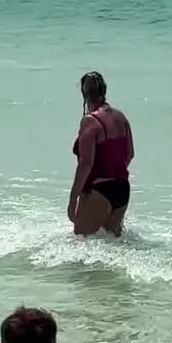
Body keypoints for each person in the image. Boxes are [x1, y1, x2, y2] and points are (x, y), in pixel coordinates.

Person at [69, 72, 133, 235]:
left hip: (99, 190)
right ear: (104, 90)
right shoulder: (121, 117)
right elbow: (130, 154)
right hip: (122, 189)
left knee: (81, 244)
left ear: (84, 94)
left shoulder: (90, 120)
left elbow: (86, 164)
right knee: (113, 245)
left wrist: (73, 198)